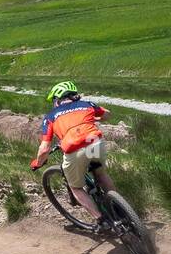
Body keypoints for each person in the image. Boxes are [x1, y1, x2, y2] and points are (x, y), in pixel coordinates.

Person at [30, 81, 116, 225]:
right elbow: (107, 114)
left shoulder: (51, 116)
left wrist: (38, 163)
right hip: (94, 141)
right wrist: (96, 118)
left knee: (75, 187)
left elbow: (44, 149)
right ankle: (117, 207)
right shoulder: (87, 104)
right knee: (101, 174)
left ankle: (101, 220)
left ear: (57, 100)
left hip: (74, 148)